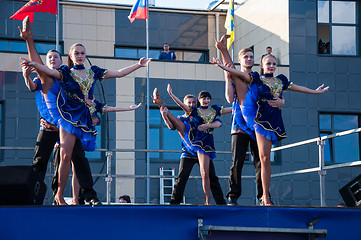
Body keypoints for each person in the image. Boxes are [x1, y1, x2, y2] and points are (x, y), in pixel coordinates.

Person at [20, 17, 151, 205]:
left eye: (82, 53)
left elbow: (119, 73)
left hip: (83, 116)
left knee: (78, 160)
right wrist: (34, 65)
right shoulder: (66, 72)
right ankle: (58, 195)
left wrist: (138, 65)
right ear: (71, 56)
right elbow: (44, 73)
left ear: (85, 55)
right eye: (76, 53)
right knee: (65, 157)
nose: (80, 56)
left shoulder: (94, 72)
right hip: (67, 114)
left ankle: (80, 197)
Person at [213, 54, 329, 206]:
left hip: (273, 120)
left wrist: (314, 92)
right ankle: (262, 197)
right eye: (268, 63)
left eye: (274, 63)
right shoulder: (257, 78)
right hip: (259, 118)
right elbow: (240, 75)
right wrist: (223, 67)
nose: (272, 66)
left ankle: (264, 195)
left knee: (264, 159)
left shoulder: (281, 80)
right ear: (262, 65)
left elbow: (297, 88)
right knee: (261, 157)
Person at [213, 36, 284, 205]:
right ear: (239, 59)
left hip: (258, 124)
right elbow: (230, 98)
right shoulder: (235, 75)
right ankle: (233, 196)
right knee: (237, 162)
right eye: (246, 56)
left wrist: (282, 101)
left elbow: (276, 95)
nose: (249, 59)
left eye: (252, 56)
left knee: (261, 161)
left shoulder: (257, 78)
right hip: (239, 125)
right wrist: (227, 75)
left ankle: (263, 196)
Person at [152, 84, 231, 205]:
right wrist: (164, 114)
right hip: (188, 152)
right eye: (188, 102)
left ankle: (220, 202)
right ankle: (174, 202)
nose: (191, 104)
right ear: (184, 104)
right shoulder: (182, 118)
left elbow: (217, 120)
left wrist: (209, 124)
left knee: (212, 177)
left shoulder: (199, 115)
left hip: (202, 149)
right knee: (181, 177)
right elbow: (171, 126)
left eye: (193, 102)